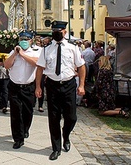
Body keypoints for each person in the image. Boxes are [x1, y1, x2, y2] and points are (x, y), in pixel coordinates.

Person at [35, 20, 85, 160]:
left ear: (65, 32)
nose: (57, 34)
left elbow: (81, 66)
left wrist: (81, 85)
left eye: (59, 32)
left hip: (68, 85)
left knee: (71, 117)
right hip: (52, 86)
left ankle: (66, 135)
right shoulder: (46, 49)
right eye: (54, 32)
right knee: (53, 118)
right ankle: (56, 148)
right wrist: (38, 87)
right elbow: (40, 69)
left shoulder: (73, 48)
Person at [4, 30, 40, 149]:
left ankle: (25, 129)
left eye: (26, 39)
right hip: (14, 86)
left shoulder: (35, 52)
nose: (23, 42)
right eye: (21, 40)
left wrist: (23, 55)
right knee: (15, 113)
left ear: (31, 41)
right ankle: (18, 138)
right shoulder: (12, 52)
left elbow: (36, 63)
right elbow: (6, 65)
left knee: (27, 112)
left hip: (28, 87)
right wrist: (15, 54)